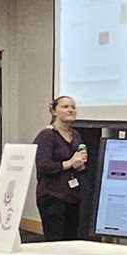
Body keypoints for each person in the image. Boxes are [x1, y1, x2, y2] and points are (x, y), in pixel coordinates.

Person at [33, 95, 88, 241]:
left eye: (73, 107)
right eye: (65, 107)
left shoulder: (75, 135)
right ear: (53, 111)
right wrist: (68, 163)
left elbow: (79, 166)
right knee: (55, 241)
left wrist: (80, 166)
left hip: (72, 196)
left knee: (72, 239)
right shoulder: (46, 136)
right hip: (52, 196)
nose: (71, 110)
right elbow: (43, 166)